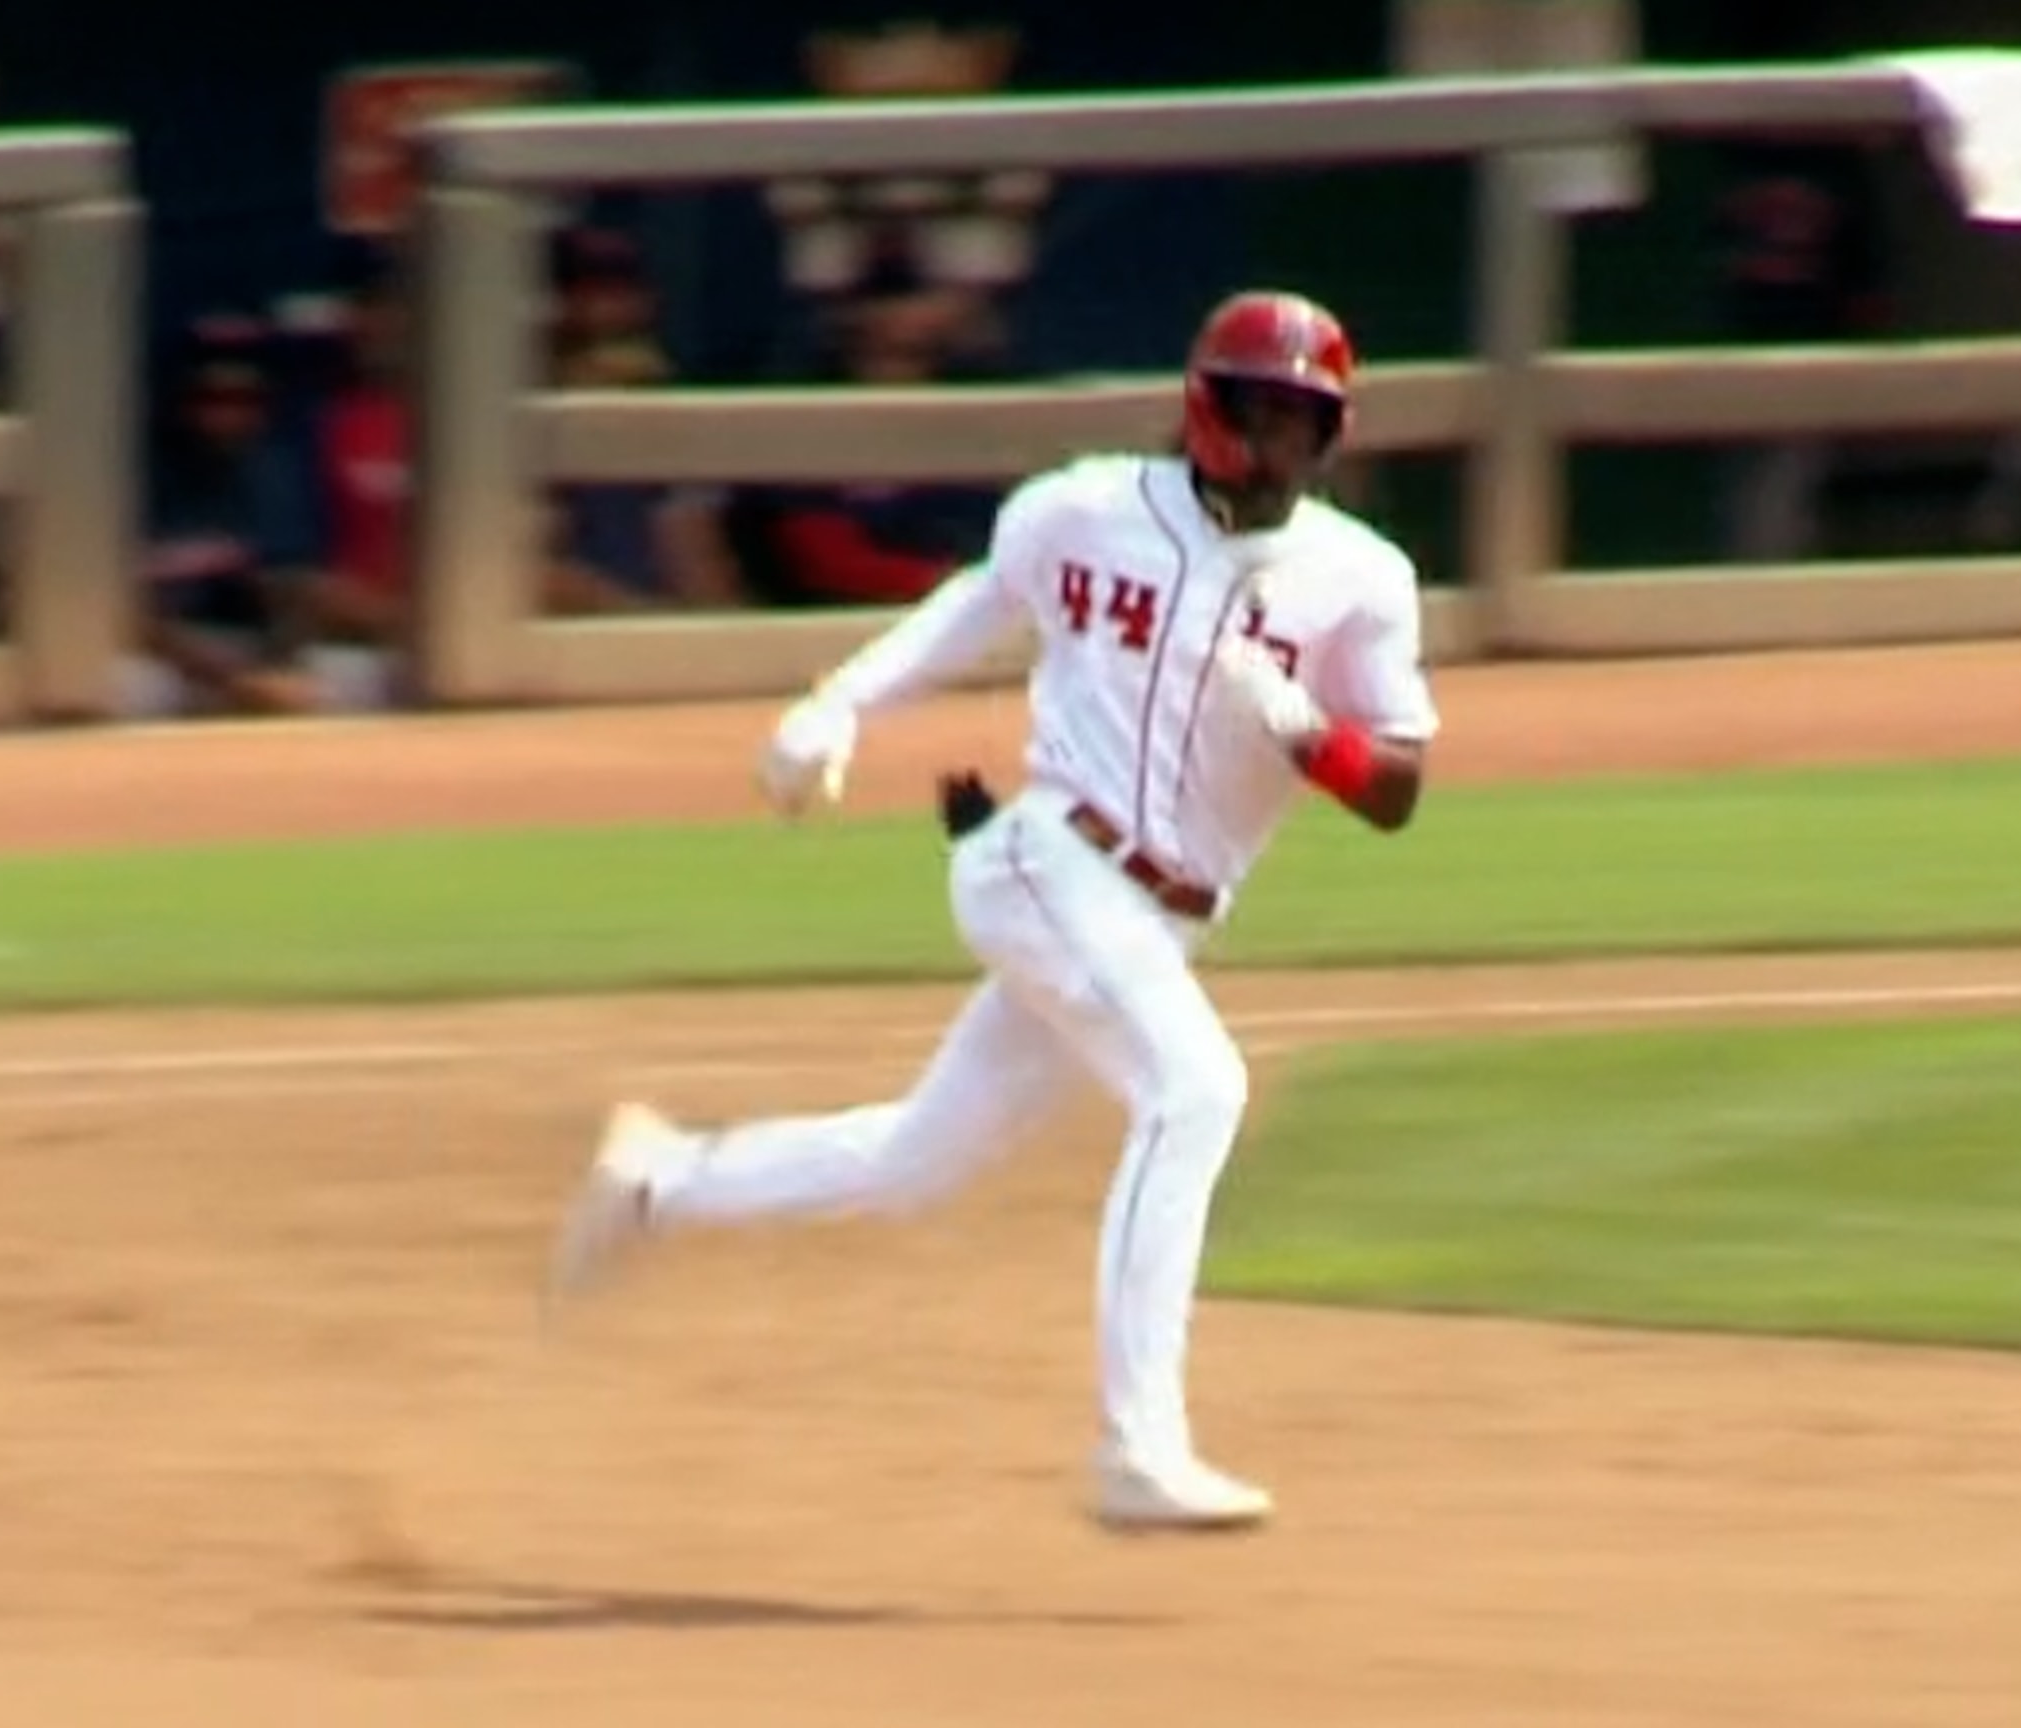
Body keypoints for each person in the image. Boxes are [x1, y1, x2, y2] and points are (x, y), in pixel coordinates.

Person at [543, 288, 1439, 1534]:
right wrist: (835, 708)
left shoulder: (1359, 580)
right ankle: (1141, 1445)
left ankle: (658, 1180)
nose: (1279, 437)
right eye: (1260, 409)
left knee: (917, 1161)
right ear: (1207, 406)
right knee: (1199, 1089)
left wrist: (1302, 727)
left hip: (1154, 916)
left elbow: (1396, 789)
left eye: (1303, 417)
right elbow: (971, 608)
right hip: (1045, 862)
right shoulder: (1087, 509)